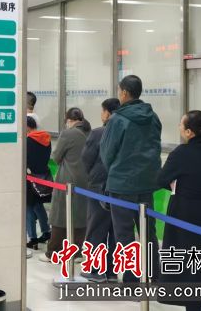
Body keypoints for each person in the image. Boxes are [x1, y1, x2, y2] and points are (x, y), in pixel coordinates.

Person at [157, 111, 201, 311]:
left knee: (188, 266)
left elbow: (160, 179)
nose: (179, 127)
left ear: (189, 132)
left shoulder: (181, 153)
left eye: (181, 124)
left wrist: (177, 185)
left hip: (184, 213)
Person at [100, 75, 161, 282]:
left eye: (119, 90)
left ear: (125, 93)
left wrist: (116, 171)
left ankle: (131, 280)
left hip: (122, 185)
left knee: (124, 234)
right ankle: (153, 274)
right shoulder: (153, 117)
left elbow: (107, 153)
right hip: (147, 183)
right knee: (148, 231)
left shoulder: (118, 119)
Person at [40, 107, 91, 262]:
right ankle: (77, 252)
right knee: (80, 216)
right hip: (86, 181)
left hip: (67, 180)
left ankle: (53, 252)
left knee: (60, 216)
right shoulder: (90, 132)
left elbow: (56, 157)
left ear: (69, 120)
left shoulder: (68, 133)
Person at [80, 98, 120, 282]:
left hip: (98, 186)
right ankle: (111, 271)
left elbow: (86, 160)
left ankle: (94, 269)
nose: (101, 114)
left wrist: (93, 176)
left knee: (96, 227)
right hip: (118, 187)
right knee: (114, 229)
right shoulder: (125, 132)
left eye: (103, 111)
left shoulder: (97, 133)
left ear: (108, 113)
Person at [26, 116, 52, 250]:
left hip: (30, 177)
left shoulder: (28, 141)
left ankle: (33, 239)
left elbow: (26, 159)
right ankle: (46, 232)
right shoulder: (47, 139)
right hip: (43, 176)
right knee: (38, 205)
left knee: (28, 207)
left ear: (27, 127)